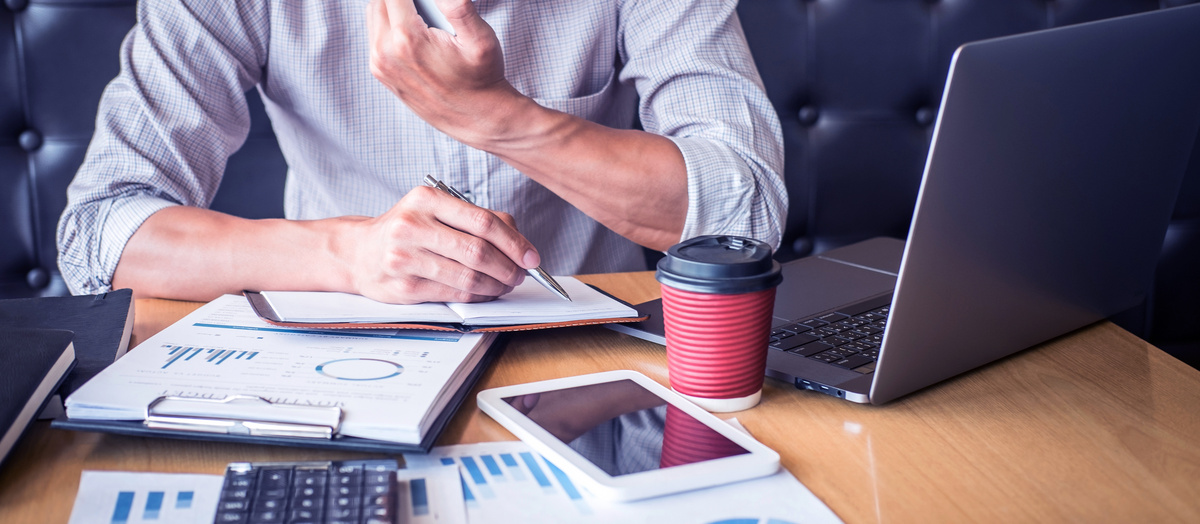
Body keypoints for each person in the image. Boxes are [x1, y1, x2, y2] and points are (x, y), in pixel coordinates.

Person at [57, 0, 786, 304]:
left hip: (595, 363)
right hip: (336, 363)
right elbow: (100, 233)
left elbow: (745, 209)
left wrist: (501, 120)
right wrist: (347, 254)